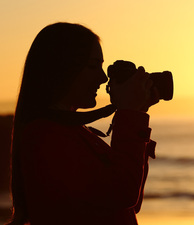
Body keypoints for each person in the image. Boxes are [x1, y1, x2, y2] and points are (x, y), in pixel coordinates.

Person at [7, 22, 158, 225]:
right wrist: (129, 113)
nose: (103, 78)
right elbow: (122, 192)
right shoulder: (45, 137)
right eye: (93, 66)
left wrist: (136, 112)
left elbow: (130, 202)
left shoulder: (73, 131)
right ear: (62, 67)